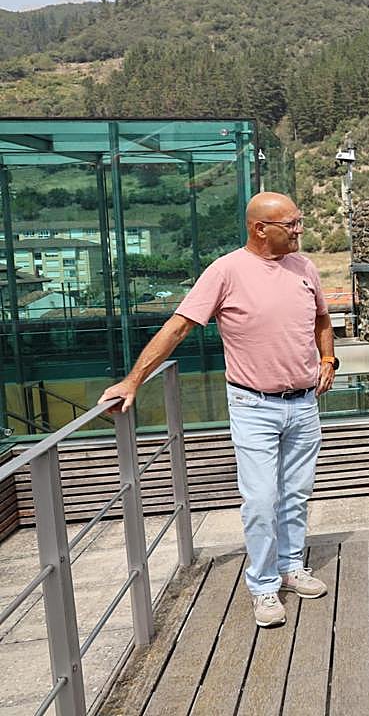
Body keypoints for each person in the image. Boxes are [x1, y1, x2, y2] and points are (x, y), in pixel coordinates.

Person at [100, 192, 335, 629]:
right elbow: (179, 326)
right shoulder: (226, 271)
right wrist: (133, 379)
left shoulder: (305, 268)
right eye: (292, 224)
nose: (300, 230)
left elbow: (322, 320)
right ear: (260, 228)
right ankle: (264, 587)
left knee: (297, 493)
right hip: (253, 404)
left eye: (300, 221)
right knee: (261, 499)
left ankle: (291, 566)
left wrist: (327, 360)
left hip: (303, 403)